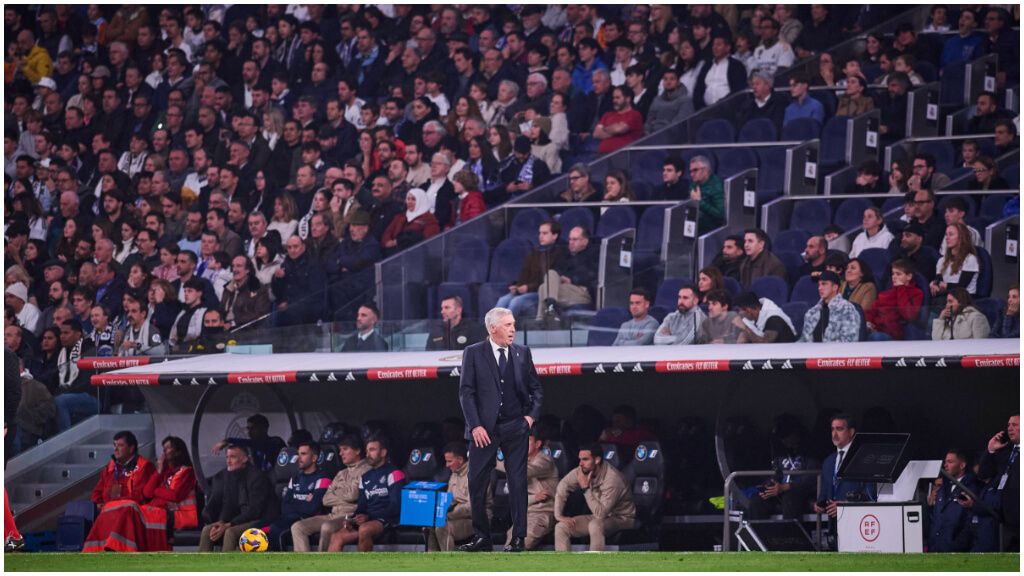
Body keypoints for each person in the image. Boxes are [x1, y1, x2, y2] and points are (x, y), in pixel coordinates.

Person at [457, 307, 543, 553]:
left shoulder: (522, 353)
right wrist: (475, 426)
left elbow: (536, 389)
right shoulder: (473, 353)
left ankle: (518, 539)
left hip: (516, 427)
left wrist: (529, 418)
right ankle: (482, 537)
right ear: (492, 328)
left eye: (513, 324)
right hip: (484, 430)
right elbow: (466, 392)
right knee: (476, 483)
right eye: (507, 325)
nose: (513, 329)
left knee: (517, 483)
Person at [83, 436, 198, 552]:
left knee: (130, 507)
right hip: (156, 510)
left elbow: (175, 495)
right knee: (113, 506)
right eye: (164, 449)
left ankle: (120, 548)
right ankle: (96, 548)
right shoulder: (163, 472)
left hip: (179, 516)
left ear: (178, 451)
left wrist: (156, 491)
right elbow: (147, 493)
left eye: (168, 448)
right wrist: (158, 471)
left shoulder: (187, 472)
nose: (164, 452)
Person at [291, 434, 371, 553]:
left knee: (327, 526)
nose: (340, 453)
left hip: (350, 516)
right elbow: (326, 500)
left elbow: (353, 495)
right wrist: (345, 495)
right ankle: (305, 567)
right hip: (332, 515)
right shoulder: (341, 473)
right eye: (340, 450)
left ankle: (322, 566)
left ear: (358, 450)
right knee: (297, 527)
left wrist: (337, 492)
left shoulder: (366, 469)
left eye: (345, 449)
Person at [327, 436, 406, 552]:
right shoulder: (365, 477)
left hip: (388, 520)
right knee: (336, 537)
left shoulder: (394, 473)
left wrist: (369, 517)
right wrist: (353, 519)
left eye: (372, 450)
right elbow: (362, 506)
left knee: (364, 529)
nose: (368, 454)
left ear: (383, 452)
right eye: (367, 450)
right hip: (368, 520)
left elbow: (396, 506)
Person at [553, 443, 636, 552]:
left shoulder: (613, 479)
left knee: (595, 525)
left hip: (622, 518)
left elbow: (601, 514)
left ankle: (594, 565)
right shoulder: (582, 470)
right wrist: (558, 515)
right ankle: (565, 567)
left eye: (585, 459)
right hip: (599, 516)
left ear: (597, 460)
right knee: (561, 527)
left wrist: (586, 489)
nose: (581, 464)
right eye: (580, 459)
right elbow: (563, 486)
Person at [199, 444, 277, 552]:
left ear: (245, 459)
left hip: (261, 520)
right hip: (241, 519)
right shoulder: (231, 476)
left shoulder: (257, 477)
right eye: (227, 457)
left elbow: (254, 511)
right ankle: (203, 567)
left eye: (233, 457)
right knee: (207, 530)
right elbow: (228, 504)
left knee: (230, 532)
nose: (228, 461)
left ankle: (227, 567)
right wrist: (221, 522)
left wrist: (229, 524)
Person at [85, 431, 157, 545]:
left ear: (131, 448)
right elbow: (97, 492)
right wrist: (97, 504)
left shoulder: (145, 467)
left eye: (120, 445)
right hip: (107, 516)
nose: (115, 449)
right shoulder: (110, 468)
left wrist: (111, 504)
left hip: (131, 521)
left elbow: (139, 496)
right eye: (115, 445)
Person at [815, 414, 876, 548]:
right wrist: (819, 503)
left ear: (851, 432)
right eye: (832, 429)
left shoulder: (864, 458)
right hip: (833, 529)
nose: (834, 434)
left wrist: (846, 505)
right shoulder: (828, 461)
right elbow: (826, 492)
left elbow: (871, 495)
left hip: (858, 525)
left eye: (839, 429)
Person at [747, 415, 819, 520]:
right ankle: (760, 534)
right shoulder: (780, 452)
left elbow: (812, 478)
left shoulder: (810, 451)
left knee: (789, 499)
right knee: (756, 500)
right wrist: (770, 486)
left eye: (786, 436)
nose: (784, 441)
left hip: (801, 494)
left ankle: (789, 535)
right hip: (780, 492)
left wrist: (786, 487)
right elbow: (777, 473)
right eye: (782, 438)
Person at [261, 441, 331, 551]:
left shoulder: (323, 478)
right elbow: (285, 506)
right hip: (288, 517)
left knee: (275, 530)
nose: (299, 458)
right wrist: (304, 502)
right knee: (255, 528)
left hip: (305, 520)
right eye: (298, 454)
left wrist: (295, 503)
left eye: (303, 454)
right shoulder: (295, 478)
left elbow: (312, 509)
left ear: (314, 458)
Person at [495, 428, 558, 550]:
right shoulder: (521, 461)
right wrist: (535, 497)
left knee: (521, 544)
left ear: (538, 444)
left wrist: (494, 460)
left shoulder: (544, 460)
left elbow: (523, 471)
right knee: (510, 543)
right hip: (525, 514)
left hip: (543, 513)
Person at [496, 221, 566, 318]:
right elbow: (524, 274)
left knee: (516, 302)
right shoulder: (535, 253)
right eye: (540, 233)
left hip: (541, 293)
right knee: (502, 300)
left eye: (545, 233)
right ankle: (493, 331)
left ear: (554, 236)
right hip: (527, 290)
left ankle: (505, 330)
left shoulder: (560, 254)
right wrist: (517, 286)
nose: (540, 236)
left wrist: (528, 288)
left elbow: (550, 280)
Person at [977, 414, 1019, 551]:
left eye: (1015, 425)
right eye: (1008, 425)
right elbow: (983, 474)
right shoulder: (1005, 452)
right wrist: (991, 450)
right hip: (1005, 522)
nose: (1010, 429)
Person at [536, 226, 598, 320]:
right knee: (550, 275)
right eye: (569, 239)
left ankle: (541, 318)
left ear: (585, 241)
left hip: (582, 291)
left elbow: (593, 276)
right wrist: (561, 278)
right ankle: (551, 307)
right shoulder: (566, 255)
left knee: (543, 289)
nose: (571, 242)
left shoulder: (594, 254)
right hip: (564, 288)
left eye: (575, 239)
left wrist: (571, 279)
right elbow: (557, 271)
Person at [927, 449, 979, 553]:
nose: (945, 465)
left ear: (962, 465)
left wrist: (957, 545)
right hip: (935, 548)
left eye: (950, 462)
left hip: (956, 551)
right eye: (945, 462)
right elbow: (935, 517)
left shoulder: (971, 487)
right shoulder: (941, 487)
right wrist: (930, 505)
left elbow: (971, 521)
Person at [426, 441, 474, 551]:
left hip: (473, 520)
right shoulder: (454, 474)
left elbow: (472, 507)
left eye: (449, 461)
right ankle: (432, 563)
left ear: (460, 460)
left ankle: (449, 562)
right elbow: (449, 500)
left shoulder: (473, 475)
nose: (447, 465)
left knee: (442, 527)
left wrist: (447, 514)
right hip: (454, 517)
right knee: (430, 525)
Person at [865, 259, 924, 341]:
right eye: (893, 274)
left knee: (877, 337)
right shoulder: (886, 294)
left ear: (909, 277)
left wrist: (901, 288)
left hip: (897, 333)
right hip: (877, 329)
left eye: (898, 274)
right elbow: (872, 311)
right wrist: (868, 322)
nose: (894, 277)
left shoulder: (916, 293)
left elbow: (908, 314)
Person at [210, 413, 287, 473]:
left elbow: (257, 444)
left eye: (253, 428)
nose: (249, 432)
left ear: (264, 428)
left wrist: (228, 440)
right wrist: (227, 441)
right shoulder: (251, 446)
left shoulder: (276, 442)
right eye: (248, 428)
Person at [799, 271, 861, 343]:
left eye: (824, 284)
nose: (820, 288)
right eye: (819, 285)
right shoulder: (812, 312)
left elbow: (849, 341)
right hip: (812, 353)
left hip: (836, 353)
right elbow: (804, 341)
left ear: (835, 287)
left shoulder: (847, 309)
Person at [931, 223, 980, 298]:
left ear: (961, 237)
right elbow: (939, 280)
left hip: (965, 299)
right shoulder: (941, 261)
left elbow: (962, 287)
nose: (947, 238)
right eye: (946, 235)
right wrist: (934, 285)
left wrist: (946, 285)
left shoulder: (970, 259)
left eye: (951, 234)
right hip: (947, 297)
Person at [732, 292, 798, 344]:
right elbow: (743, 337)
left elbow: (765, 344)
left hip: (786, 354)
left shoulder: (774, 318)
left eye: (739, 310)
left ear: (748, 310)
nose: (738, 314)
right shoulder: (751, 316)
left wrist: (745, 328)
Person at [688, 155, 724, 234]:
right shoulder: (693, 185)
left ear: (706, 170)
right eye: (690, 171)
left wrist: (699, 202)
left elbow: (720, 215)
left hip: (712, 231)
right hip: (695, 228)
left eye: (695, 170)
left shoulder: (717, 186)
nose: (692, 174)